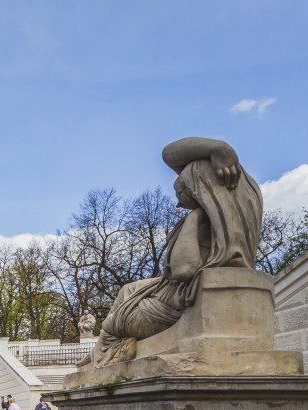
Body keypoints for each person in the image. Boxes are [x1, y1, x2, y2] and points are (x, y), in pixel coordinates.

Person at [78, 137, 262, 368]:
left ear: (199, 189)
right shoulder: (242, 198)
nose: (179, 205)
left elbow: (183, 270)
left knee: (115, 322)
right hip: (171, 288)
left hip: (172, 299)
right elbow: (175, 157)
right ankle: (100, 349)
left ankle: (103, 349)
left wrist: (193, 219)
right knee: (128, 289)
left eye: (181, 193)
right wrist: (221, 150)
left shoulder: (200, 220)